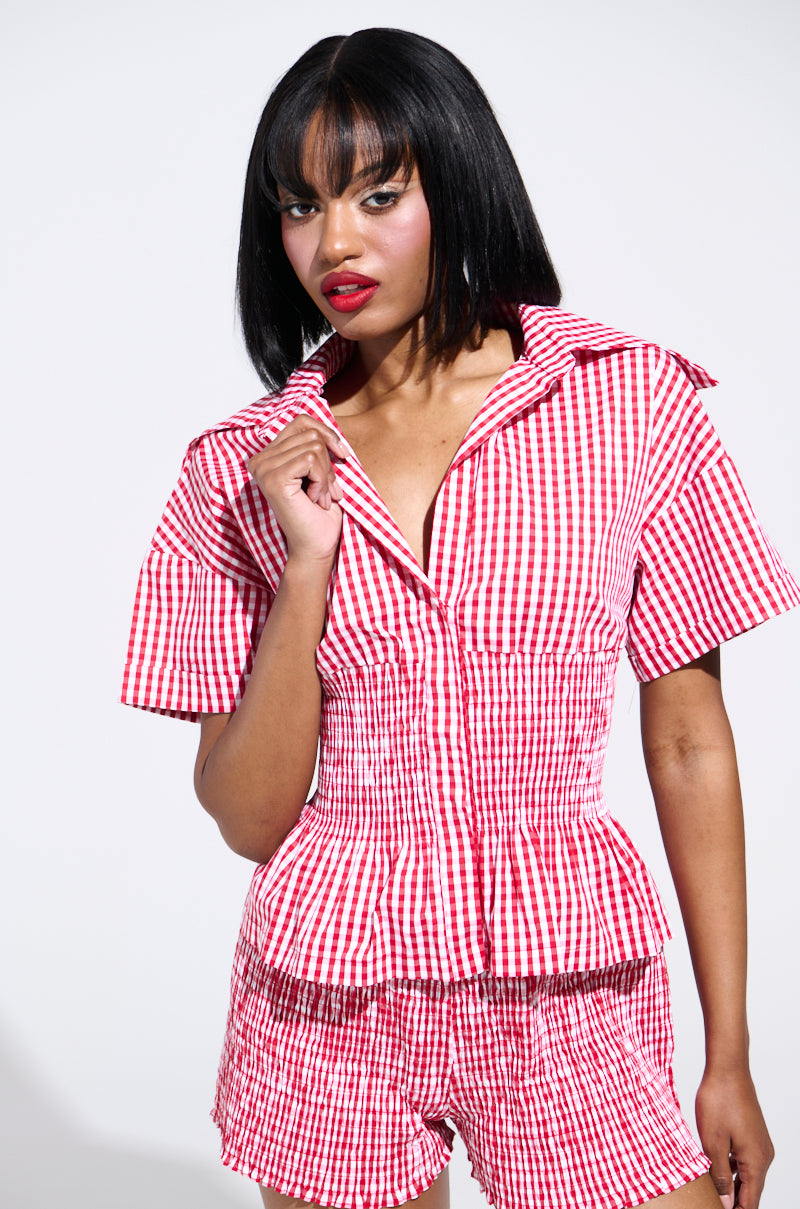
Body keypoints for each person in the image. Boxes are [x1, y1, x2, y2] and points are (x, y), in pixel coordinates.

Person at [121, 27, 800, 1209]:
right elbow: (244, 816)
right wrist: (305, 567)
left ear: (459, 176)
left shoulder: (629, 405)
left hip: (565, 978)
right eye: (297, 206)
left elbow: (687, 740)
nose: (333, 241)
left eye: (379, 193)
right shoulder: (239, 467)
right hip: (329, 996)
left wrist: (728, 1052)